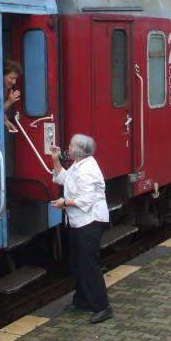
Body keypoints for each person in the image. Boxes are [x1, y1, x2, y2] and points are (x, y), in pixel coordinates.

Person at [50, 134, 112, 324]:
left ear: (77, 150)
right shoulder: (79, 165)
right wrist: (55, 160)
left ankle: (102, 306)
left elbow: (87, 200)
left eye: (70, 145)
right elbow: (64, 179)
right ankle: (82, 300)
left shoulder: (88, 170)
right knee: (77, 262)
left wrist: (64, 202)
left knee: (89, 264)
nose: (68, 147)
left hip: (90, 221)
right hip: (78, 222)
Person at [3, 59, 22, 133]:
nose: (14, 82)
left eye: (15, 78)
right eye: (11, 78)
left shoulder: (5, 88)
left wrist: (6, 121)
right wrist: (9, 102)